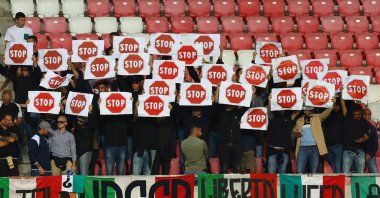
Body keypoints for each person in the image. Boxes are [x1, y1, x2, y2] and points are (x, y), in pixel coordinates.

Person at [293, 105, 332, 174]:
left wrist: (331, 104)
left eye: (306, 110)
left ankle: (313, 185)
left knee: (314, 171)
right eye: (304, 110)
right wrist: (295, 133)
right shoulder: (299, 120)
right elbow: (294, 131)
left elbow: (326, 113)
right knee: (299, 170)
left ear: (311, 110)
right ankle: (301, 185)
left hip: (314, 148)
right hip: (302, 148)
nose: (305, 112)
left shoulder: (317, 117)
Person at [342, 103, 369, 173]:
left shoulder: (364, 122)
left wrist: (363, 139)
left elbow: (367, 137)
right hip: (348, 150)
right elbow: (343, 106)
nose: (359, 116)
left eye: (360, 114)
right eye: (357, 114)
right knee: (345, 173)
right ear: (352, 113)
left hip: (360, 151)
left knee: (360, 174)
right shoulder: (347, 119)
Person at [323, 98, 347, 173]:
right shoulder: (328, 115)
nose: (335, 107)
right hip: (328, 146)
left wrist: (341, 95)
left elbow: (343, 106)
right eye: (334, 105)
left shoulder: (342, 115)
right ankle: (336, 181)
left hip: (338, 145)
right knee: (333, 166)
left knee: (337, 166)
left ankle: (338, 183)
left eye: (337, 105)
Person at [363, 108, 378, 173]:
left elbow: (375, 144)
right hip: (359, 154)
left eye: (368, 114)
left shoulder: (373, 129)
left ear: (370, 117)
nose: (366, 116)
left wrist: (370, 155)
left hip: (369, 154)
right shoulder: (357, 126)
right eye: (364, 114)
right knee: (357, 173)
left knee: (374, 171)